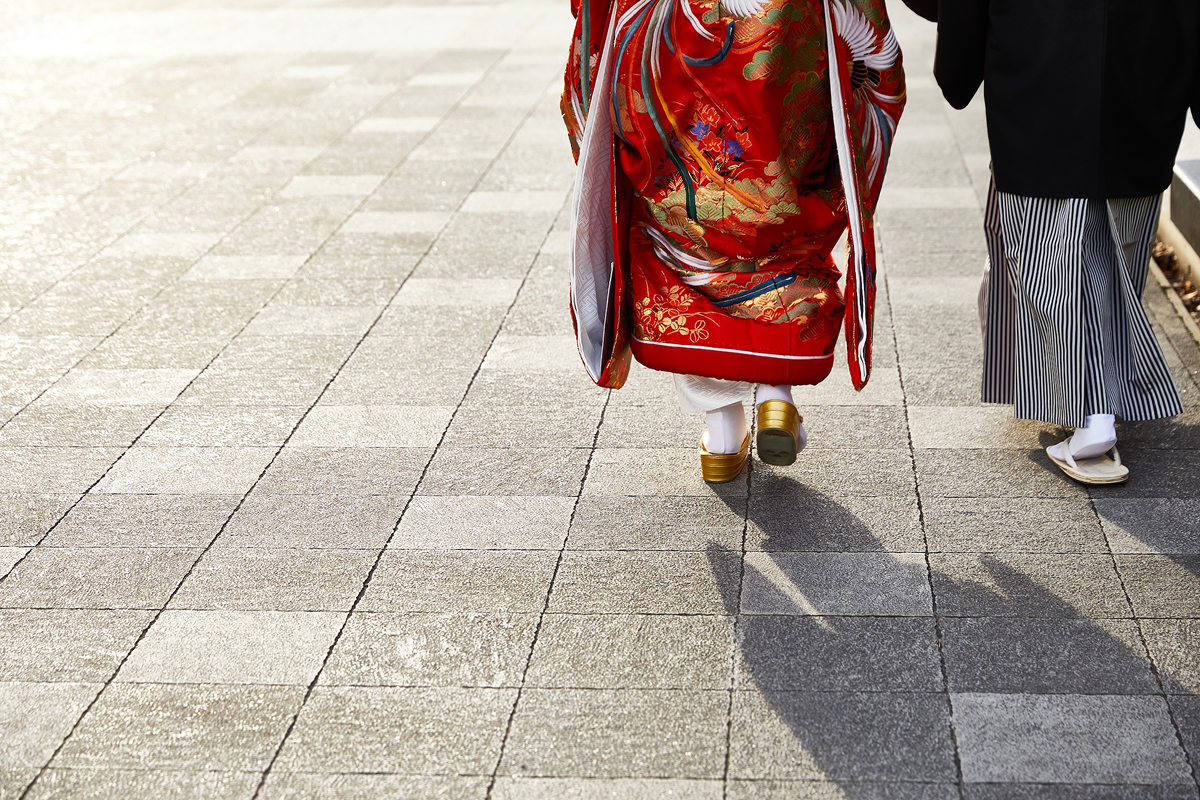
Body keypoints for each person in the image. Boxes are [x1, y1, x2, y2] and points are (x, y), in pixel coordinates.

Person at [562, 0, 906, 481]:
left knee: (682, 213)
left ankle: (723, 432)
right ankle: (775, 396)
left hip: (674, 27)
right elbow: (872, 64)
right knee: (783, 199)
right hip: (787, 20)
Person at [912, 0, 1200, 484]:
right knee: (1112, 261)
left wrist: (960, 61)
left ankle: (1094, 422)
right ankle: (1095, 398)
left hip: (1041, 85)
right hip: (1143, 91)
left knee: (1054, 266)